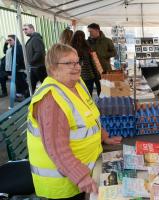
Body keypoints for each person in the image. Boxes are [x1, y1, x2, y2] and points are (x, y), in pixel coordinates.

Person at [27, 43, 122, 199]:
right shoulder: (51, 99)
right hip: (64, 184)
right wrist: (81, 177)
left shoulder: (77, 83)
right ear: (52, 68)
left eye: (77, 62)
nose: (76, 67)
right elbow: (57, 148)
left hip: (86, 169)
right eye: (68, 63)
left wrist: (104, 137)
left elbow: (89, 119)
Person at [87, 23, 116, 96]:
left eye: (91, 31)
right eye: (89, 32)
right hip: (91, 71)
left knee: (105, 92)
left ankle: (105, 106)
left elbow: (114, 53)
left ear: (97, 30)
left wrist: (104, 55)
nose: (89, 33)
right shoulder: (87, 42)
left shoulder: (107, 41)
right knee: (91, 92)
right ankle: (97, 106)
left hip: (104, 70)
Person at [2, 35, 29, 100]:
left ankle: (25, 95)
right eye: (8, 40)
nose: (9, 41)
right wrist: (5, 44)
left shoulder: (18, 47)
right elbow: (5, 51)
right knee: (17, 82)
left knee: (21, 81)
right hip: (13, 68)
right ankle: (20, 94)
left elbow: (20, 57)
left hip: (18, 68)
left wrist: (17, 67)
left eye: (10, 40)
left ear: (15, 40)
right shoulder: (11, 47)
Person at [71, 30, 98, 95]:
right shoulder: (87, 47)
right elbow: (92, 62)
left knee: (79, 95)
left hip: (76, 76)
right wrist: (96, 72)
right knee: (88, 94)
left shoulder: (71, 49)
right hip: (88, 75)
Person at [23, 23, 47, 93]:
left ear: (32, 29)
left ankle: (51, 97)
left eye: (26, 29)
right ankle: (28, 98)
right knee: (31, 85)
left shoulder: (36, 39)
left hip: (38, 67)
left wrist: (31, 61)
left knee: (45, 84)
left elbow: (39, 52)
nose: (24, 31)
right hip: (34, 67)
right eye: (23, 30)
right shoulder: (32, 39)